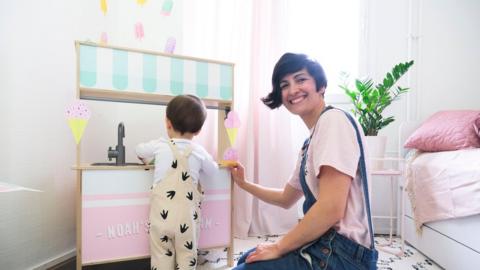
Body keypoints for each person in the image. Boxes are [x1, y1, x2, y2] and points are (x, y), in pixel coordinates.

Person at [231, 53, 378, 269]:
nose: (292, 90)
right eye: (284, 84)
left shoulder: (333, 121)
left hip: (342, 256)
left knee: (249, 265)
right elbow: (285, 198)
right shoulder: (311, 140)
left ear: (321, 86)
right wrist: (244, 184)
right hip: (325, 247)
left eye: (300, 80)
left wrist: (279, 246)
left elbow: (330, 208)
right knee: (249, 257)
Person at [136, 94, 218, 270]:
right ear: (198, 131)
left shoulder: (159, 145)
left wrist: (148, 160)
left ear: (168, 123)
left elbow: (139, 150)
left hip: (161, 219)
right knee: (188, 256)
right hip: (187, 220)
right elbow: (213, 170)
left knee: (161, 256)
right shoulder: (199, 151)